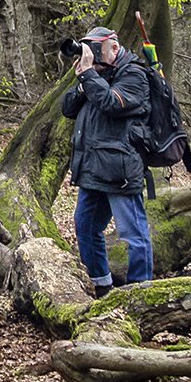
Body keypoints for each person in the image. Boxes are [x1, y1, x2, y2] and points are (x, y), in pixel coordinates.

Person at [62, 25, 153, 295]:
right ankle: (102, 288)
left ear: (114, 48)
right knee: (86, 226)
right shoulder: (94, 75)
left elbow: (112, 104)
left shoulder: (134, 74)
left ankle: (141, 293)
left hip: (120, 172)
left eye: (95, 49)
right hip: (92, 169)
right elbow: (67, 109)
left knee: (133, 235)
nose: (91, 55)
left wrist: (89, 74)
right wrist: (84, 78)